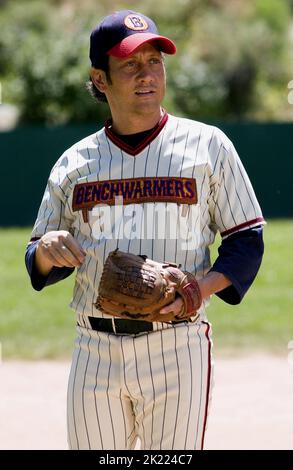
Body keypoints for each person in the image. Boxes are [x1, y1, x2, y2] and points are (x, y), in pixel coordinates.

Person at [25, 9, 265, 450]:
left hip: (177, 345)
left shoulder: (208, 145)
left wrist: (200, 288)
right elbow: (38, 257)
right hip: (95, 347)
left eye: (155, 61)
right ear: (101, 80)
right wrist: (48, 249)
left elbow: (246, 240)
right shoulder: (75, 163)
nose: (147, 74)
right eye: (130, 65)